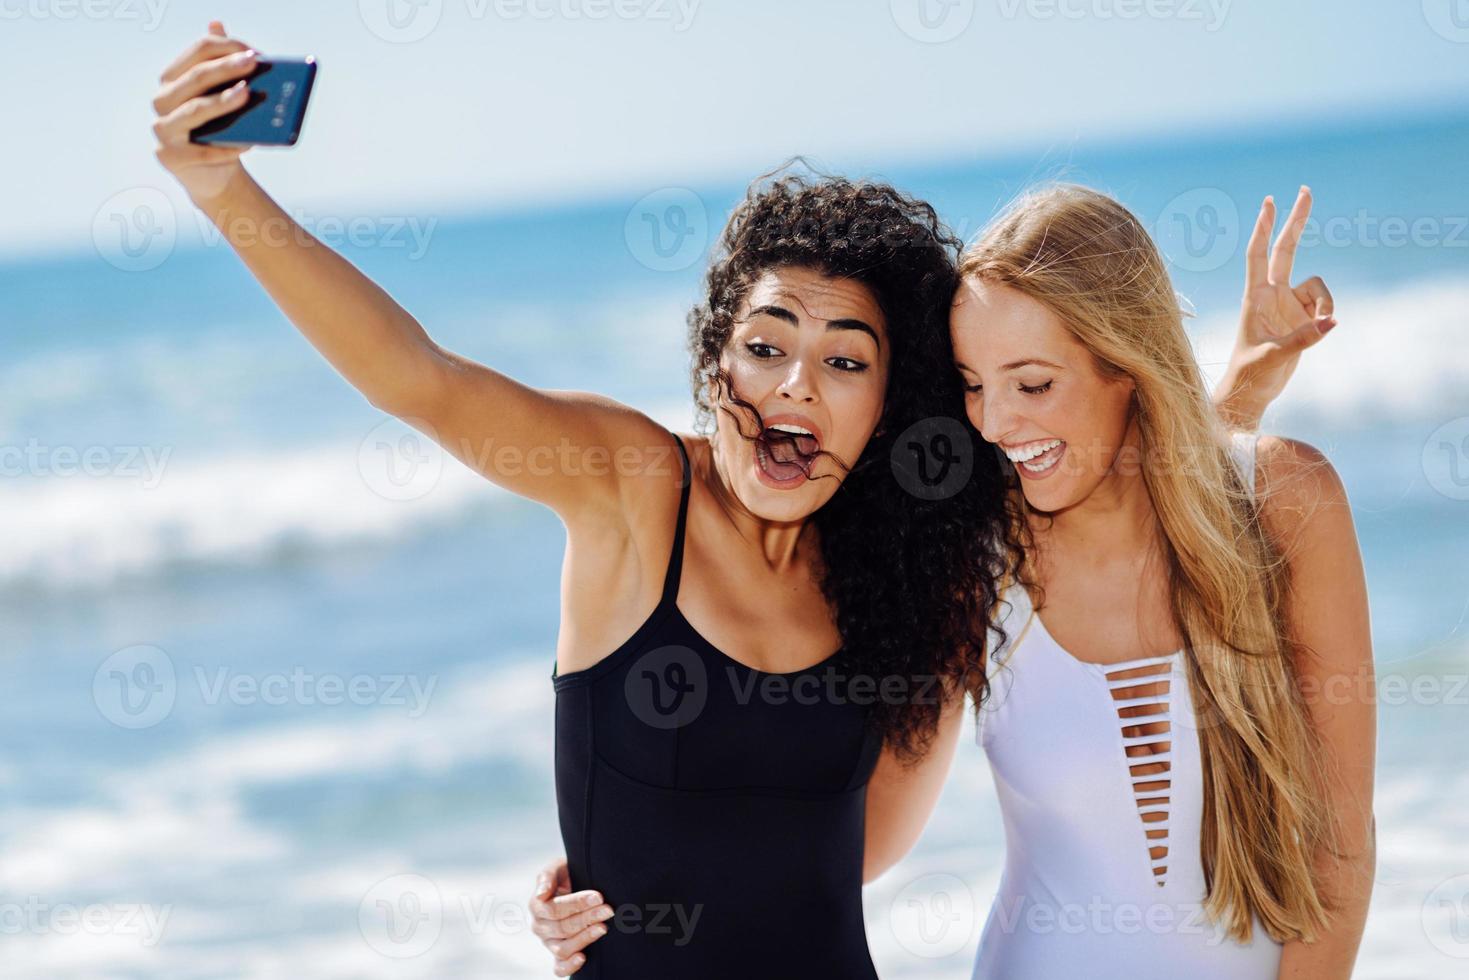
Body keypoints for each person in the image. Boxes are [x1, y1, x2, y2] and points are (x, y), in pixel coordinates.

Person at [528, 187, 1369, 978]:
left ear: (1130, 361)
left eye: (1031, 383)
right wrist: (634, 867)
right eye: (971, 387)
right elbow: (854, 842)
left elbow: (1340, 840)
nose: (996, 423)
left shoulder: (1286, 503)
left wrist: (1243, 388)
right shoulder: (973, 562)